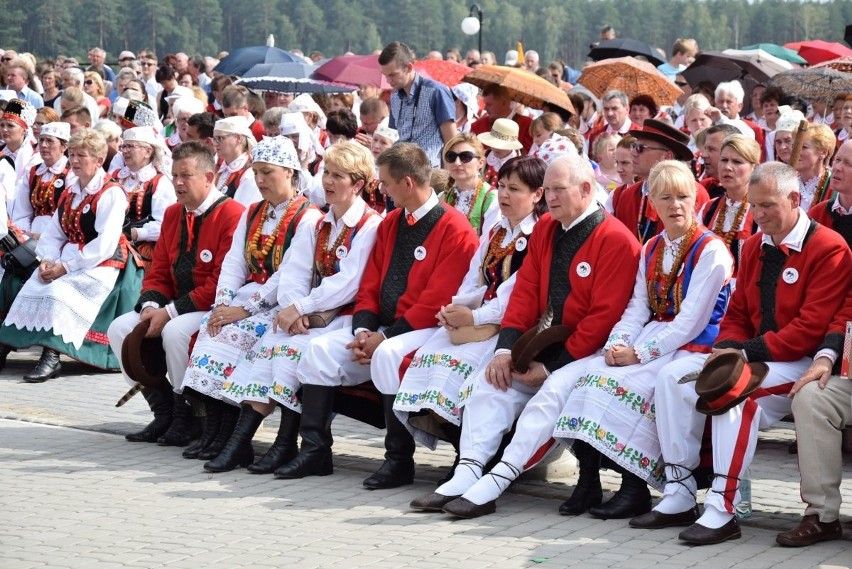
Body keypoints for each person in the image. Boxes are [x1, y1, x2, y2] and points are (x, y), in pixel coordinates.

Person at [633, 162, 852, 545]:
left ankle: (723, 507)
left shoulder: (828, 248)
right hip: (756, 356)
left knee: (737, 399)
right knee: (672, 379)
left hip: (800, 362)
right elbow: (735, 314)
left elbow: (808, 330)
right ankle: (680, 490)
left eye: (767, 205)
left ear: (795, 199)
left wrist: (740, 352)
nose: (758, 214)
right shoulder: (754, 244)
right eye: (753, 206)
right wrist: (724, 349)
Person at [418, 154, 640, 518]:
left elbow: (603, 317)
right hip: (542, 344)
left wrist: (550, 367)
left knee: (549, 394)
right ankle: (468, 470)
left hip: (589, 352)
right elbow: (523, 294)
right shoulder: (547, 230)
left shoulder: (615, 238)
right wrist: (505, 350)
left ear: (586, 189)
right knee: (489, 382)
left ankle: (496, 481)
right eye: (547, 190)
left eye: (558, 190)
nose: (549, 198)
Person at [273, 143, 479, 487]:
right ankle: (315, 451)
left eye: (385, 182)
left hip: (424, 327)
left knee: (386, 355)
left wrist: (384, 336)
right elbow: (370, 283)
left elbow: (436, 299)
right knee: (318, 352)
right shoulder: (391, 222)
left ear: (408, 183)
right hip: (381, 328)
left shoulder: (455, 229)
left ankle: (398, 460)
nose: (380, 189)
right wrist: (364, 329)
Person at [552, 160, 733, 519]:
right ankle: (589, 481)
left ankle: (633, 487)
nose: (676, 205)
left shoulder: (710, 249)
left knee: (628, 389)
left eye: (683, 196)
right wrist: (616, 343)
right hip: (657, 335)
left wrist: (639, 353)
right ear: (653, 203)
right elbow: (637, 305)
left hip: (694, 344)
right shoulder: (652, 246)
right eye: (666, 197)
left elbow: (690, 321)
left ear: (696, 200)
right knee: (590, 379)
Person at [210, 141, 382, 474]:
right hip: (310, 315)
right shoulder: (322, 222)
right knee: (271, 345)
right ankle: (245, 443)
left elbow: (349, 282)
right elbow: (294, 270)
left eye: (338, 176)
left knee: (293, 352)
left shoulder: (369, 225)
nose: (327, 182)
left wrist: (301, 308)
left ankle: (286, 444)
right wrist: (291, 309)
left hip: (345, 316)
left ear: (358, 184)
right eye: (326, 173)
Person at [180, 136, 322, 465]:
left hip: (280, 301)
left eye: (267, 173)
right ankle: (216, 431)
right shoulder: (253, 212)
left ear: (289, 172)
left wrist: (243, 309)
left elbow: (289, 273)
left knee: (235, 333)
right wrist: (222, 303)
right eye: (255, 173)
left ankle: (232, 436)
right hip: (246, 297)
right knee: (210, 328)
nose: (259, 181)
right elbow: (233, 262)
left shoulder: (307, 217)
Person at [394, 155, 545, 456]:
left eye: (514, 189)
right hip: (478, 318)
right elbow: (473, 278)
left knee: (465, 371)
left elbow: (517, 296)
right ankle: (453, 446)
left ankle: (472, 456)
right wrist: (454, 309)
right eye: (501, 186)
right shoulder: (497, 230)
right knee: (431, 355)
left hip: (508, 325)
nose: (504, 194)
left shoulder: (538, 235)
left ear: (537, 194)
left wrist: (472, 315)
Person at [107, 141, 244, 445]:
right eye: (175, 176)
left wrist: (168, 313)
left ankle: (193, 416)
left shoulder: (233, 214)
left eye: (186, 176)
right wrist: (149, 307)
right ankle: (164, 412)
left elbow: (223, 282)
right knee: (120, 329)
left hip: (215, 306)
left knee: (177, 333)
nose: (178, 183)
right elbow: (158, 271)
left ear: (209, 177)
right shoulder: (173, 214)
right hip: (174, 304)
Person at [0, 129, 138, 381]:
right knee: (32, 285)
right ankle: (5, 345)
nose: (74, 161)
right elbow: (55, 232)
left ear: (98, 160)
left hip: (101, 263)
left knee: (57, 292)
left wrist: (66, 266)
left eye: (81, 155)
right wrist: (48, 260)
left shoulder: (111, 193)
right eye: (72, 155)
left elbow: (104, 243)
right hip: (67, 258)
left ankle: (52, 356)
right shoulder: (72, 189)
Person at [777, 141, 852, 546]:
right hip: (839, 350)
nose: (837, 167)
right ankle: (822, 515)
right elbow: (844, 304)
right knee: (811, 398)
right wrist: (827, 354)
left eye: (847, 163)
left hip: (835, 343)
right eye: (837, 159)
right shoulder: (819, 218)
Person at [608, 119, 709, 243]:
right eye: (634, 146)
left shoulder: (694, 193)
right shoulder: (627, 195)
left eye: (641, 148)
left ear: (667, 156)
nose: (633, 153)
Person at [380, 42, 456, 168]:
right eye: (385, 75)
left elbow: (452, 141)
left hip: (429, 175)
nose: (388, 80)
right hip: (400, 172)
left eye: (393, 74)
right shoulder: (394, 97)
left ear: (408, 67)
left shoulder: (436, 92)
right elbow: (393, 137)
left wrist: (447, 179)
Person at [110, 127, 176, 269]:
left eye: (131, 146)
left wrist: (137, 233)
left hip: (141, 249)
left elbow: (165, 225)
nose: (125, 151)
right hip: (108, 243)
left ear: (148, 151)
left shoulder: (160, 183)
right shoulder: (115, 176)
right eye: (124, 146)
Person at [699, 135, 760, 278]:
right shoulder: (708, 208)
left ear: (755, 168)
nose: (727, 167)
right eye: (724, 160)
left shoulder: (761, 210)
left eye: (737, 162)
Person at [10, 121, 76, 242]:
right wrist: (25, 236)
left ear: (64, 146)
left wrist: (45, 237)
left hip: (59, 237)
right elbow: (22, 211)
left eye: (50, 141)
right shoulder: (33, 172)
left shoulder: (71, 173)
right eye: (41, 140)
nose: (44, 145)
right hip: (31, 235)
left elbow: (69, 215)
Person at [439, 133, 499, 236]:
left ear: (481, 162)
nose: (457, 163)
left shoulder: (492, 198)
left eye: (465, 157)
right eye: (451, 157)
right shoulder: (442, 197)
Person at [212, 116, 261, 206]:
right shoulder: (219, 169)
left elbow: (243, 210)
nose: (215, 143)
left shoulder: (250, 173)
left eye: (220, 138)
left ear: (238, 138)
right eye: (214, 139)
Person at [470, 85, 533, 154]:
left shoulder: (527, 125)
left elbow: (530, 155)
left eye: (489, 104)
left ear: (504, 103)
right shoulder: (477, 126)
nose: (485, 108)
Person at [0, 99, 39, 211]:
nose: (4, 130)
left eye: (10, 126)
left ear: (24, 130)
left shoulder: (34, 155)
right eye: (2, 125)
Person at [795, 123, 836, 210]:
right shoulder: (788, 182)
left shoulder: (834, 186)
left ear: (823, 153)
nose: (796, 151)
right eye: (795, 146)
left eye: (804, 147)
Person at [478, 118, 523, 189]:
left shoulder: (519, 165)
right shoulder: (485, 154)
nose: (495, 148)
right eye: (493, 143)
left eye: (500, 145)